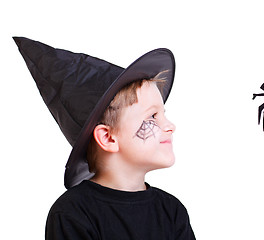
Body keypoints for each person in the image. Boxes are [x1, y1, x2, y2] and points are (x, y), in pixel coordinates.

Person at [14, 37, 195, 240]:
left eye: (163, 114)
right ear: (108, 138)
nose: (170, 126)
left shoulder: (171, 211)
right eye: (153, 116)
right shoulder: (73, 214)